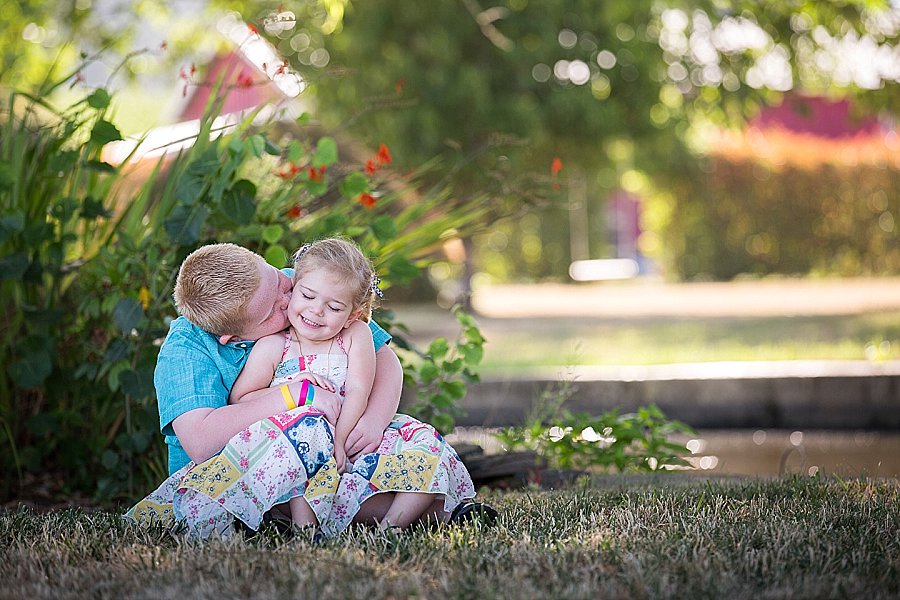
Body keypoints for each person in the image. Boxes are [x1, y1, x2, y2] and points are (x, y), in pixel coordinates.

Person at [126, 241, 494, 537]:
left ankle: (416, 508)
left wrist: (374, 421)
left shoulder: (299, 289)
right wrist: (295, 396)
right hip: (247, 470)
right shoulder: (187, 349)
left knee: (401, 457)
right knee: (346, 487)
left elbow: (384, 361)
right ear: (233, 337)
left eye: (281, 282)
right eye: (274, 308)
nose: (292, 305)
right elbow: (202, 440)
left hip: (336, 442)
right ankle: (426, 513)